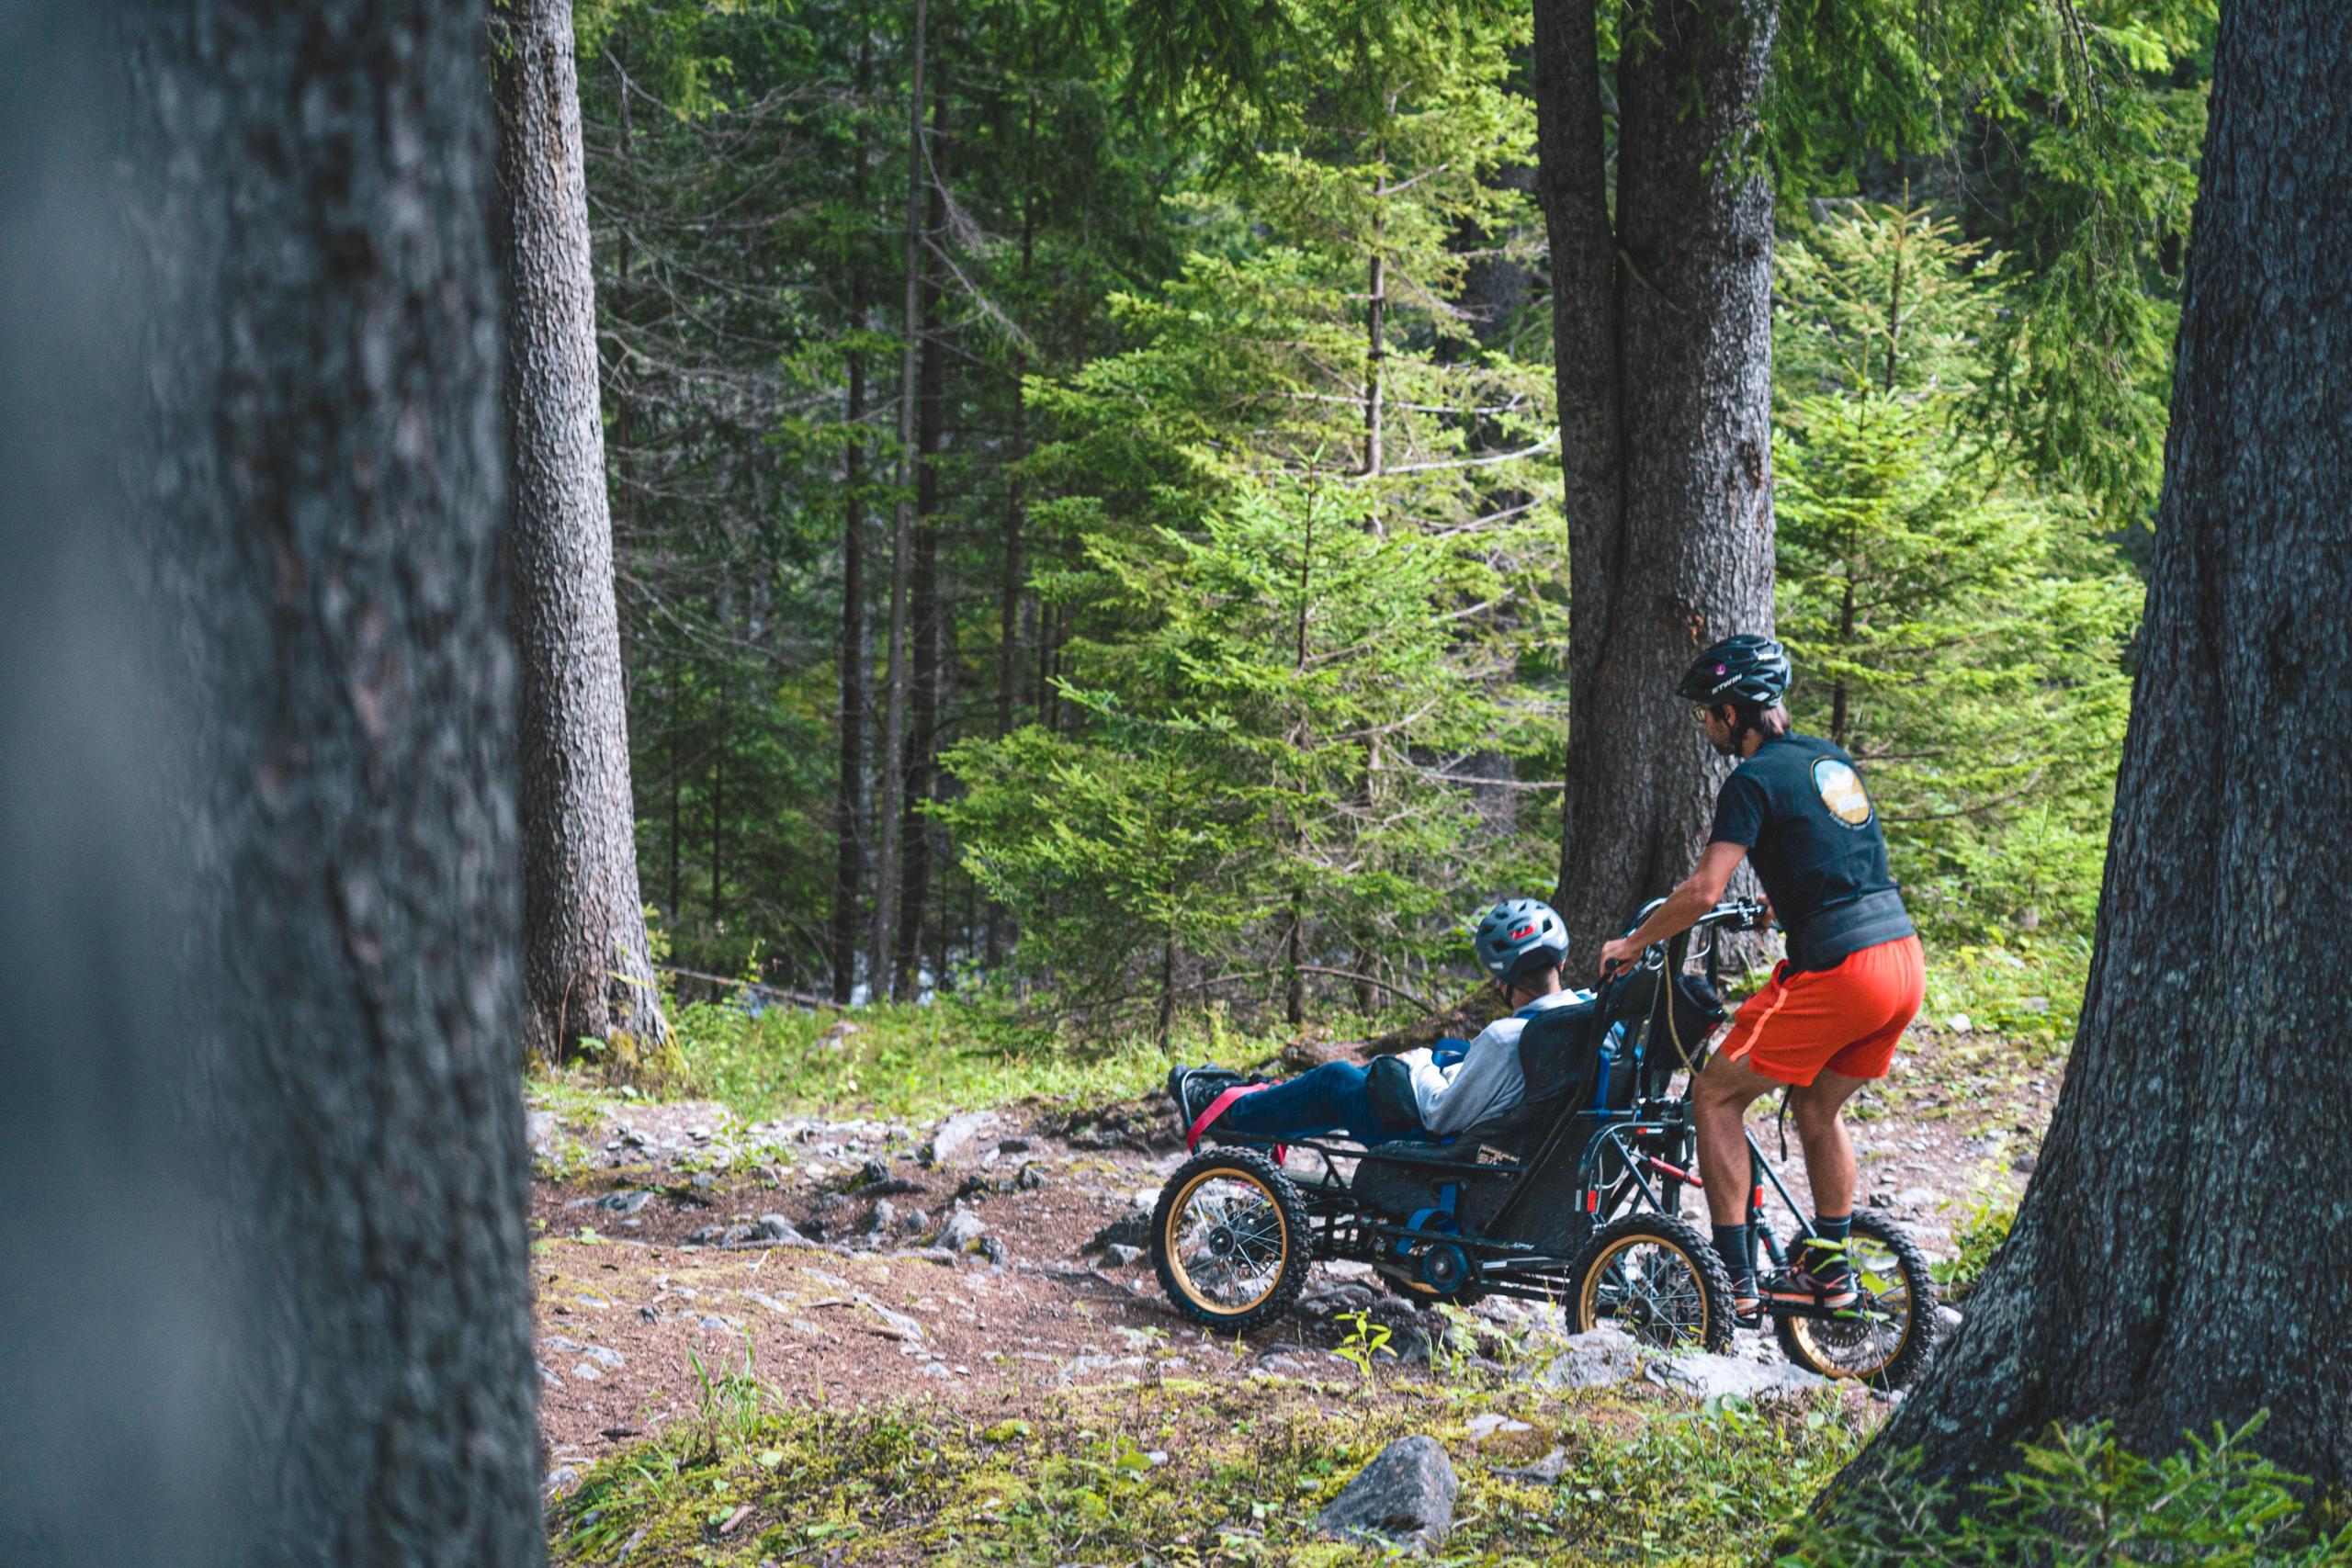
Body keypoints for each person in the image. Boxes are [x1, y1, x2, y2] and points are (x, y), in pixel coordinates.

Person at [1596, 634, 1923, 1318]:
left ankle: (1733, 1278)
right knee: (1814, 1106)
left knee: (1713, 1095)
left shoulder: (1749, 778)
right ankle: (1830, 1269)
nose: (1705, 725)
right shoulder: (1828, 761)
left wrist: (1632, 942)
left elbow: (1703, 890)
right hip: (1901, 961)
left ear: (1732, 713)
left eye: (1707, 712)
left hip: (1843, 970)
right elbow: (1831, 849)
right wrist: (1779, 901)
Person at [1171, 898, 1589, 1147]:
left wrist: (1419, 1062)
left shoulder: (1504, 1039)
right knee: (1441, 1055)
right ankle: (1263, 1100)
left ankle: (1231, 1113)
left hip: (1442, 1149)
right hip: (1516, 1137)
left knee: (1335, 1081)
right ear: (1563, 962)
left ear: (1501, 980)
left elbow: (1441, 1115)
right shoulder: (1586, 1018)